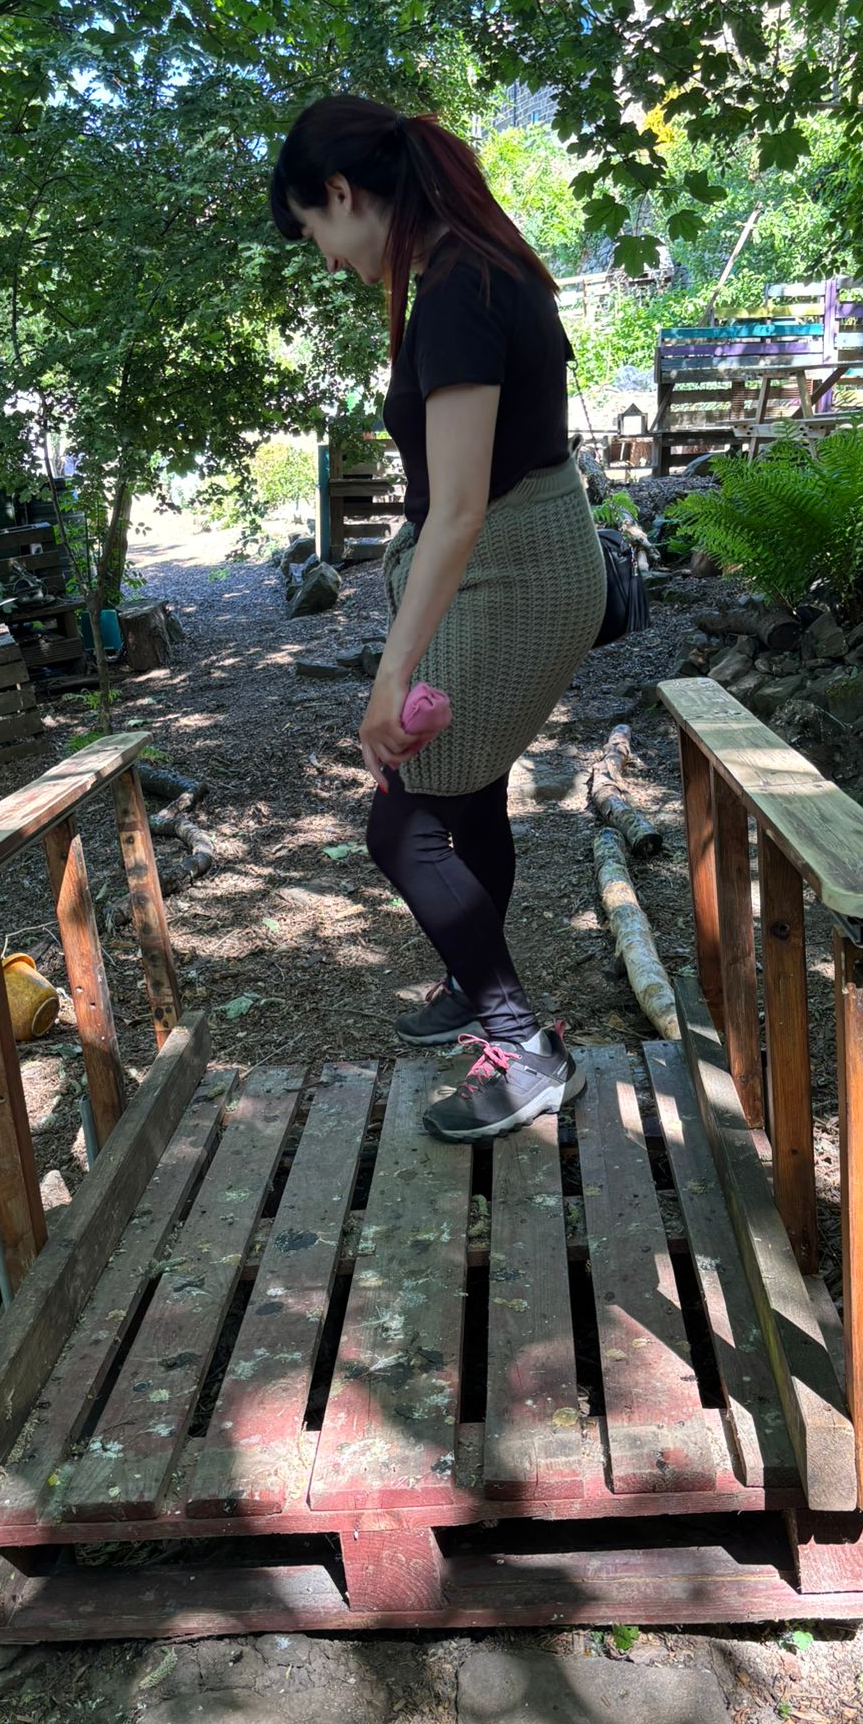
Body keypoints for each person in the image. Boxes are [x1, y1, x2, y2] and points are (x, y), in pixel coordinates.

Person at [270, 94, 605, 1144]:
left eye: (314, 231)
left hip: (515, 575)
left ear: (341, 192)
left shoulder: (461, 285)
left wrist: (388, 677)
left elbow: (458, 510)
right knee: (467, 797)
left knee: (404, 821)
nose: (327, 259)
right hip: (514, 563)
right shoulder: (466, 267)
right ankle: (476, 986)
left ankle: (524, 1044)